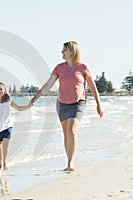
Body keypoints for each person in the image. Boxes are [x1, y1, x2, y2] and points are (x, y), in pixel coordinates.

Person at [30, 41, 104, 172]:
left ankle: (71, 163)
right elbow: (48, 84)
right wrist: (35, 98)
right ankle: (68, 161)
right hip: (62, 104)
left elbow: (93, 87)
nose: (62, 53)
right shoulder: (59, 68)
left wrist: (99, 105)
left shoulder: (83, 67)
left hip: (78, 103)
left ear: (72, 51)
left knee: (71, 131)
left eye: (64, 50)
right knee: (65, 133)